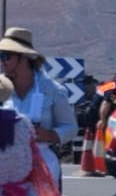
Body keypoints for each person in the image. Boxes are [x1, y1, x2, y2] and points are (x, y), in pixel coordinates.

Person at [0, 28, 77, 186]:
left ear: (24, 58)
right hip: (5, 166)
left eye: (6, 56)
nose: (2, 62)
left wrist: (49, 134)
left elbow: (70, 127)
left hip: (42, 163)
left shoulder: (53, 90)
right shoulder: (2, 88)